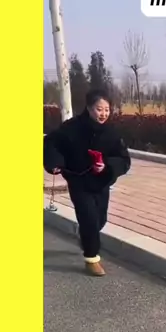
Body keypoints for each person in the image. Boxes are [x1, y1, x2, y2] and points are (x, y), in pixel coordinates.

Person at [44, 89, 131, 276]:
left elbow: (123, 159)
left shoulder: (112, 133)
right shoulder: (71, 128)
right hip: (78, 181)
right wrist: (55, 163)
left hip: (101, 183)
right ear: (89, 108)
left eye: (107, 110)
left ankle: (86, 236)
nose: (103, 114)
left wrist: (106, 166)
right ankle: (91, 258)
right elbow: (51, 143)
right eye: (99, 109)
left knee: (100, 220)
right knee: (89, 219)